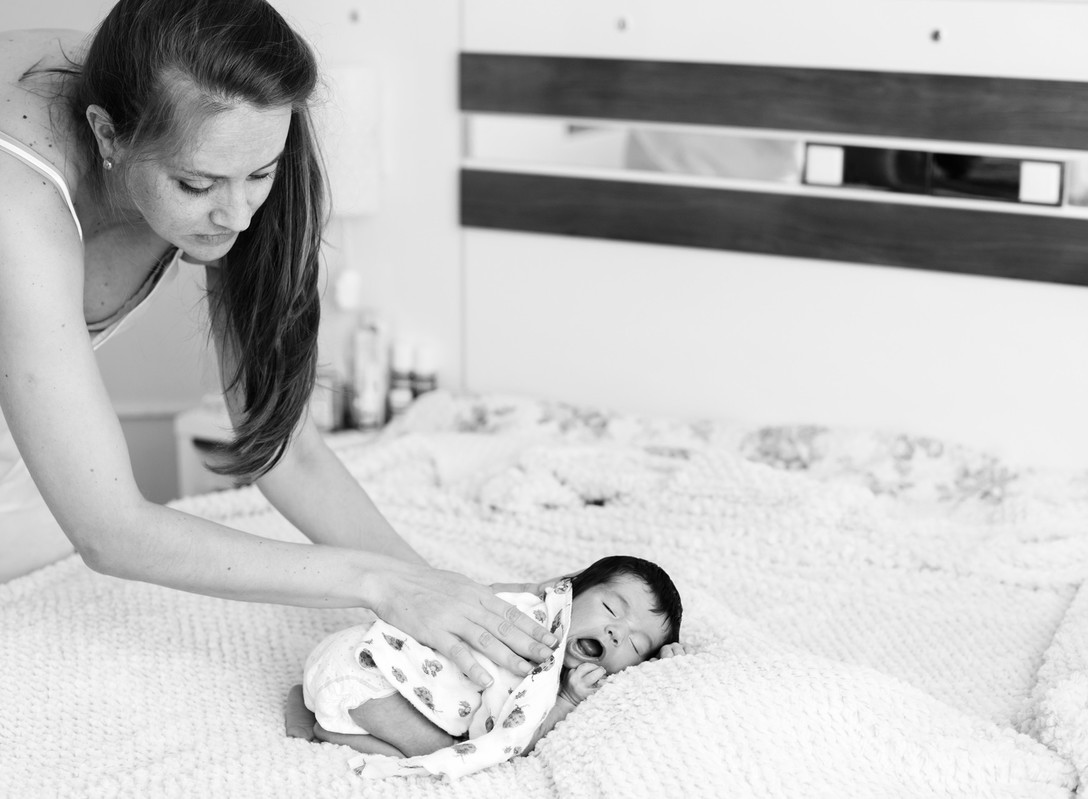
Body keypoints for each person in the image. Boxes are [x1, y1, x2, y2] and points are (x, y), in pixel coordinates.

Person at [0, 0, 557, 688]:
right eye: (196, 184)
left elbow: (288, 447)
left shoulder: (221, 113)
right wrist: (375, 582)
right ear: (107, 133)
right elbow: (110, 531)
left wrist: (437, 592)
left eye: (261, 175)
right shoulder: (20, 199)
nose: (237, 215)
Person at [291, 555, 685, 778]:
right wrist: (566, 699)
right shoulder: (530, 627)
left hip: (353, 652)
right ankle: (326, 730)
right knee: (450, 754)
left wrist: (663, 670)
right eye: (611, 608)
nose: (617, 633)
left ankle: (310, 702)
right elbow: (510, 741)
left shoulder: (541, 639)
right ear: (569, 591)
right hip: (364, 676)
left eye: (636, 644)